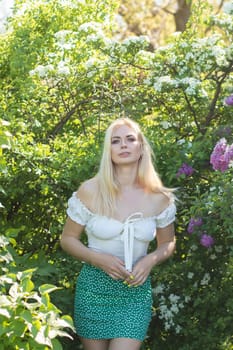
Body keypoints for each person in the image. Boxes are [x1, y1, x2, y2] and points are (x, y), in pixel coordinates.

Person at [60, 117, 176, 350]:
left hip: (134, 292)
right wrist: (97, 259)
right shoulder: (90, 191)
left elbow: (168, 242)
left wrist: (150, 260)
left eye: (130, 139)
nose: (123, 145)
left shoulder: (159, 197)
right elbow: (67, 238)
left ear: (141, 147)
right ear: (108, 150)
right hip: (93, 291)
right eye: (116, 141)